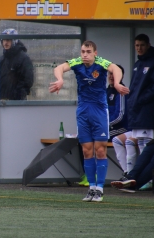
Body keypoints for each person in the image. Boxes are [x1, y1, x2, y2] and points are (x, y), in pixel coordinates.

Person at [49, 40, 129, 202]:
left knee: (100, 150)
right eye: (83, 51)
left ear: (95, 53)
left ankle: (99, 188)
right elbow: (59, 68)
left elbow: (115, 68)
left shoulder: (101, 63)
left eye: (88, 52)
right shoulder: (77, 63)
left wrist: (118, 83)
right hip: (83, 111)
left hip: (99, 111)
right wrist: (60, 80)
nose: (85, 55)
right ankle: (91, 187)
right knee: (86, 151)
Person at [127, 34, 154, 155]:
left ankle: (145, 173)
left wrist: (141, 99)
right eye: (137, 45)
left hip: (147, 111)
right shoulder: (137, 64)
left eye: (142, 45)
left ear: (148, 45)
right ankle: (138, 173)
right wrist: (133, 101)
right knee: (140, 143)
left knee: (146, 145)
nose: (139, 48)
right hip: (137, 111)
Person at [0, 28, 34, 100]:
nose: (5, 43)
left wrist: (17, 94)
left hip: (17, 101)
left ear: (14, 41)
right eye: (4, 40)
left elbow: (28, 80)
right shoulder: (2, 59)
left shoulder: (24, 58)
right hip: (2, 101)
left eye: (8, 40)